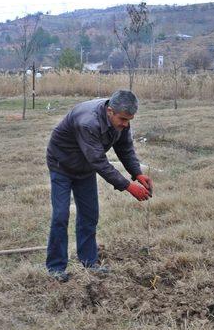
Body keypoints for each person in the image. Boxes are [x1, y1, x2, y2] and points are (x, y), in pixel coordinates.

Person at [45, 90, 153, 282]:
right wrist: (128, 186)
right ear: (110, 111)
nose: (126, 124)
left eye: (129, 120)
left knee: (90, 214)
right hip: (62, 164)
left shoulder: (121, 119)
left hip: (85, 168)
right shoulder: (88, 122)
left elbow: (125, 148)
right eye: (123, 119)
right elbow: (99, 162)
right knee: (61, 215)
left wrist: (137, 173)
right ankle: (55, 267)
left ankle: (89, 262)